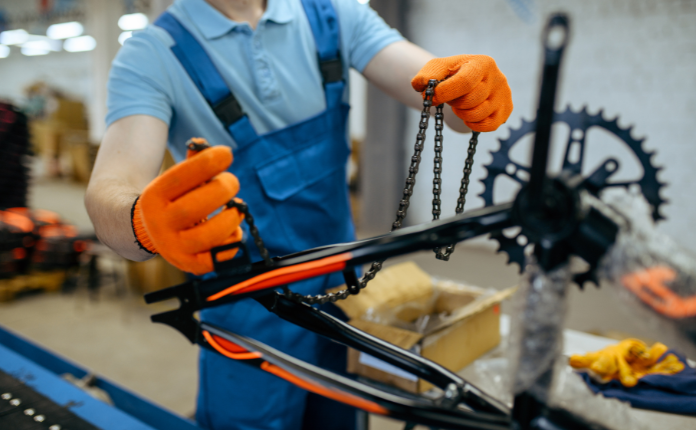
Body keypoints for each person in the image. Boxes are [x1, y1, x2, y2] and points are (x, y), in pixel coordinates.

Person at [84, 0, 513, 429]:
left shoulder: (336, 17)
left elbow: (437, 91)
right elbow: (110, 188)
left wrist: (468, 87)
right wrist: (140, 221)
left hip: (343, 301)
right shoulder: (153, 54)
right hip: (247, 317)